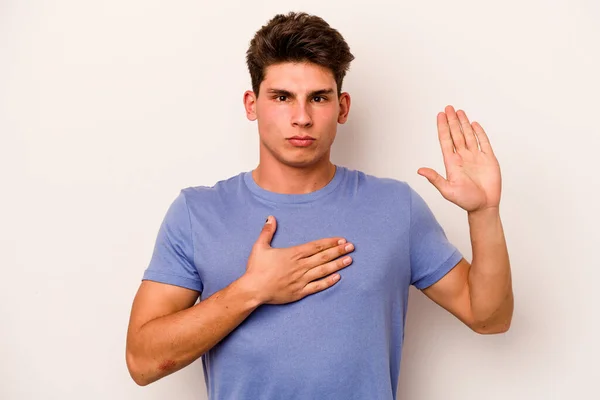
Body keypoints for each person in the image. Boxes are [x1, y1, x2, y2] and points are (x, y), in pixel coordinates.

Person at [125, 11, 513, 399]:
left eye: (318, 98)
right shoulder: (197, 213)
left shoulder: (396, 207)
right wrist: (252, 290)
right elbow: (142, 363)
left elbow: (489, 318)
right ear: (251, 104)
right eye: (281, 97)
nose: (301, 118)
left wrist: (484, 214)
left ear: (342, 107)